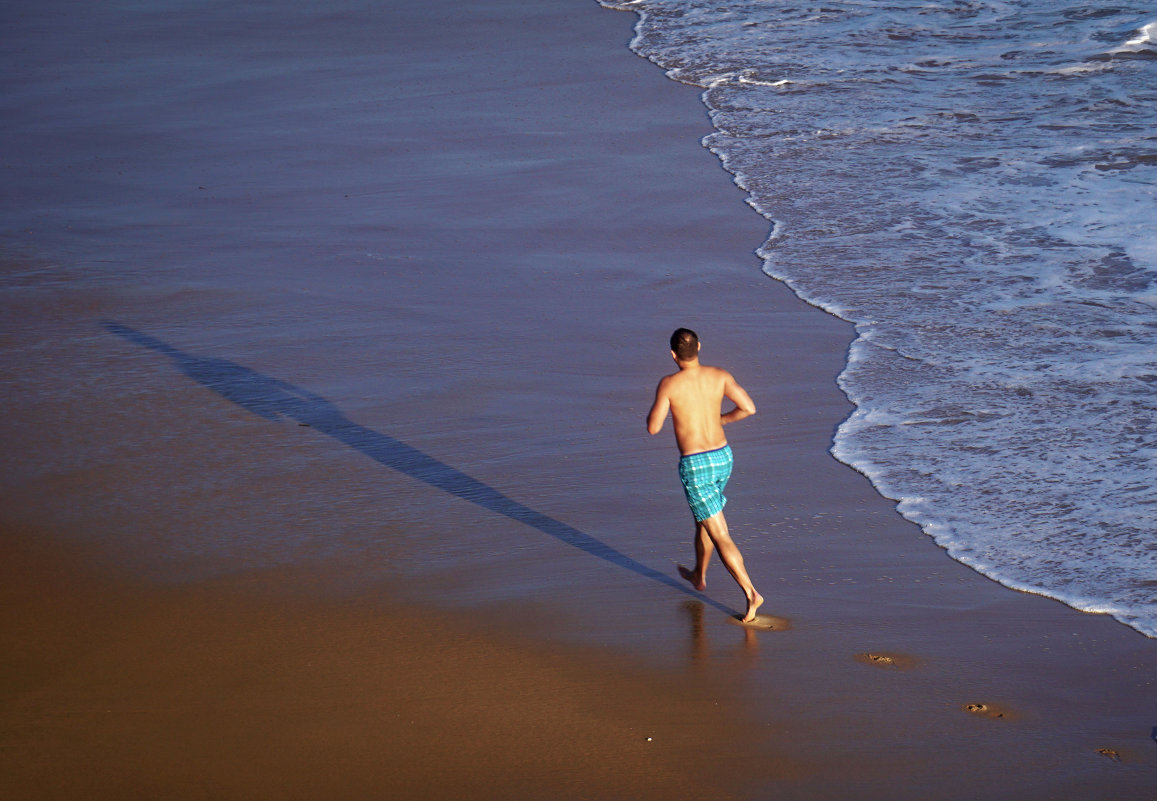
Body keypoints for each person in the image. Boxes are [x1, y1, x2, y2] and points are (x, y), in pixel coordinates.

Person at [647, 328, 764, 622]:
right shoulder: (719, 375)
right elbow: (748, 408)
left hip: (696, 464)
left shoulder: (669, 383)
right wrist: (720, 418)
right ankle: (699, 574)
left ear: (673, 354)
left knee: (720, 531)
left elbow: (653, 427)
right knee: (705, 519)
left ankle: (751, 593)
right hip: (723, 457)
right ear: (699, 346)